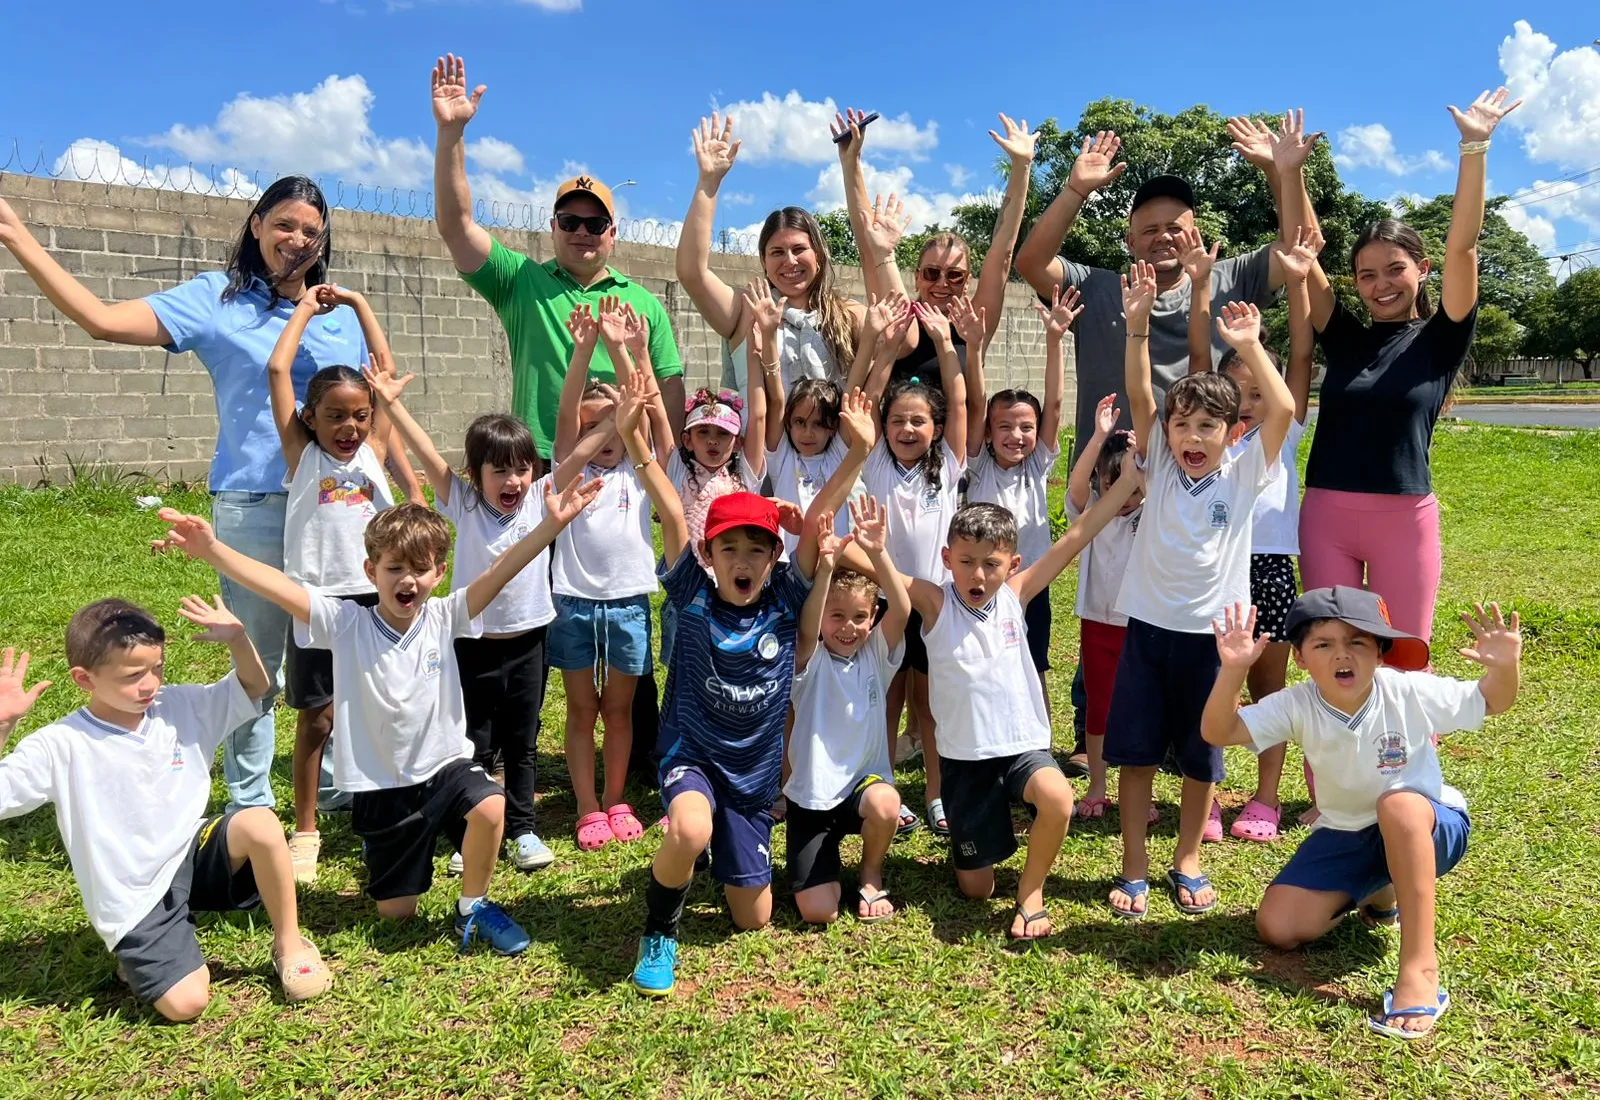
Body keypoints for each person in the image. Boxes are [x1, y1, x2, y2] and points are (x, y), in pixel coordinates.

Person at [0, 178, 421, 812]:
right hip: (255, 505)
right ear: (256, 226)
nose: (297, 240)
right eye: (284, 225)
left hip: (342, 510)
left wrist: (400, 493)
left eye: (311, 231)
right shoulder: (213, 301)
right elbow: (100, 321)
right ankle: (249, 799)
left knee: (343, 649)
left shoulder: (338, 318)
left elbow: (374, 415)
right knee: (258, 660)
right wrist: (16, 235)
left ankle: (337, 780)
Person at [154, 479, 601, 956]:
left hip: (444, 769)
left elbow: (500, 570)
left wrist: (551, 524)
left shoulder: (446, 615)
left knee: (492, 806)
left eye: (420, 570)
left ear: (439, 573)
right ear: (371, 571)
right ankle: (390, 856)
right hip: (382, 789)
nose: (406, 580)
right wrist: (214, 549)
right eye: (393, 568)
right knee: (397, 914)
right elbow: (282, 587)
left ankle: (473, 907)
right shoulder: (345, 623)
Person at [431, 52, 684, 786]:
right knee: (533, 621)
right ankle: (509, 755)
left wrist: (660, 461)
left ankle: (635, 755)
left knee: (626, 606)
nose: (582, 231)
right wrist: (452, 136)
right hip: (535, 471)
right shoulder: (521, 281)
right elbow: (456, 226)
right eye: (570, 221)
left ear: (613, 232)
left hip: (625, 472)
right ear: (554, 228)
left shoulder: (643, 303)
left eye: (595, 223)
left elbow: (667, 395)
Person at [620, 369, 859, 997]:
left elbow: (824, 513)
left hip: (753, 779)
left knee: (752, 920)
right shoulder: (692, 591)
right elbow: (671, 507)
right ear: (708, 554)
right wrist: (634, 437)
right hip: (693, 756)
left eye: (758, 548)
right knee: (688, 829)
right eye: (730, 549)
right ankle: (660, 926)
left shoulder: (785, 594)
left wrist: (857, 451)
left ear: (775, 555)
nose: (745, 561)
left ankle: (716, 848)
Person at [1202, 591, 1521, 1040]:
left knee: (1399, 804)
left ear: (1379, 651)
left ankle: (1419, 970)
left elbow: (1491, 700)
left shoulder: (1406, 690)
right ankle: (1382, 891)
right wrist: (1234, 670)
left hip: (1430, 827)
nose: (1342, 655)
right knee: (1279, 926)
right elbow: (1219, 730)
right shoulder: (1298, 703)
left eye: (1357, 642)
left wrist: (1503, 667)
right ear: (1299, 657)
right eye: (1323, 644)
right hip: (1346, 832)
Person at [0, 602, 332, 1021]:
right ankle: (142, 956)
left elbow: (253, 687)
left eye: (156, 667)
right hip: (133, 893)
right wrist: (2, 727)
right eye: (132, 676)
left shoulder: (179, 705)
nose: (149, 684)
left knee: (259, 822)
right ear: (84, 679)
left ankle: (290, 944)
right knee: (187, 1003)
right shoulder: (60, 744)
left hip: (191, 851)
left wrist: (237, 639)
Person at [1294, 89, 1518, 647]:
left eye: (1394, 269)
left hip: (1404, 518)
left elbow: (1463, 248)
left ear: (1421, 270)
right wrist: (1289, 174)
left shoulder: (1443, 337)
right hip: (1326, 514)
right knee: (1330, 650)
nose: (1381, 285)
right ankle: (1338, 740)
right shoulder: (1344, 338)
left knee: (1405, 654)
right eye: (1366, 275)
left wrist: (1474, 148)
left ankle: (1413, 742)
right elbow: (1305, 252)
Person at [1104, 262, 1294, 920]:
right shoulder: (1157, 455)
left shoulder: (1244, 474)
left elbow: (1287, 407)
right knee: (1132, 756)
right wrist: (1135, 329)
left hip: (1214, 641)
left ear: (1231, 432)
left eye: (1207, 427)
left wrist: (1248, 347)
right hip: (1149, 632)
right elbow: (1141, 394)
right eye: (1181, 426)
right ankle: (1133, 864)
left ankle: (1186, 858)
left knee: (1199, 760)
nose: (1192, 437)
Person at [907, 477, 1141, 939]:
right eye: (967, 562)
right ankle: (991, 832)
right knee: (976, 889)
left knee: (1058, 797)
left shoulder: (1017, 594)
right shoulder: (935, 604)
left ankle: (1030, 893)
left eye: (991, 564)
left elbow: (1077, 535)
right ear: (946, 559)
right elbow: (882, 573)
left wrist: (1130, 480)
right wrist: (839, 540)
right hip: (964, 760)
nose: (978, 575)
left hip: (1021, 748)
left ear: (1012, 563)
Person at [365, 354, 561, 875]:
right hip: (472, 644)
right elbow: (427, 452)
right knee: (474, 740)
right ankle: (468, 828)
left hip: (530, 643)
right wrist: (390, 403)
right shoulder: (463, 502)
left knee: (523, 741)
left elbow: (580, 446)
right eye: (500, 470)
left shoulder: (543, 499)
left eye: (522, 468)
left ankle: (521, 829)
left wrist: (619, 417)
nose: (513, 479)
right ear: (476, 475)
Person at [1185, 226, 1318, 842]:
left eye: (1258, 389)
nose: (1248, 400)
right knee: (1212, 684)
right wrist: (1201, 288)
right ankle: (1205, 794)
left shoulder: (1282, 432)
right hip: (1216, 569)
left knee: (1269, 682)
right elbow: (1194, 363)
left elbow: (1298, 357)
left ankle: (1266, 795)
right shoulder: (1207, 441)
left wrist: (1294, 284)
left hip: (1268, 566)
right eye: (1235, 389)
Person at [267, 286, 399, 884]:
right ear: (309, 419)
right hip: (317, 601)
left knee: (376, 710)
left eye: (360, 415)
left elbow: (385, 372)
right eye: (335, 416)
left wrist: (358, 303)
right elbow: (277, 368)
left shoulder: (374, 451)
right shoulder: (303, 457)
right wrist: (305, 310)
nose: (349, 426)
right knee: (317, 717)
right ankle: (306, 830)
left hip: (375, 600)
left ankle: (377, 810)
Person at [546, 303, 666, 852]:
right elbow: (570, 411)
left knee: (619, 711)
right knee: (581, 709)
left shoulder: (639, 474)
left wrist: (622, 351)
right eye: (590, 426)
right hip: (572, 604)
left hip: (627, 606)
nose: (605, 435)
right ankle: (586, 807)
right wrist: (580, 352)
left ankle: (615, 798)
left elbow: (644, 408)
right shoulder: (564, 474)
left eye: (614, 424)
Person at [858, 299, 968, 837]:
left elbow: (963, 400)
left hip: (933, 602)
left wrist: (948, 346)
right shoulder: (875, 460)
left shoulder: (947, 464)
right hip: (880, 603)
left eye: (918, 420)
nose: (906, 428)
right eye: (897, 420)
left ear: (937, 427)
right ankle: (883, 785)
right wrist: (883, 349)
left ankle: (936, 792)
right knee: (886, 694)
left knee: (929, 705)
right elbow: (867, 400)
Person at [834, 110, 1037, 389]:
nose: (942, 283)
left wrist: (1021, 167)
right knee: (905, 329)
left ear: (967, 282)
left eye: (954, 275)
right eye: (932, 273)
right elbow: (869, 249)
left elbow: (1003, 252)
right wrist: (851, 163)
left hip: (958, 433)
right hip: (898, 431)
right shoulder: (901, 319)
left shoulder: (973, 325)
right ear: (917, 277)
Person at [676, 114, 863, 395]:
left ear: (819, 256)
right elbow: (691, 272)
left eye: (799, 249)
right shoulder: (745, 310)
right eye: (777, 252)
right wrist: (708, 182)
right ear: (764, 261)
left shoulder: (847, 315)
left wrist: (852, 167)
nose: (789, 261)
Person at [785, 497, 907, 924]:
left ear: (872, 618)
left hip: (861, 789)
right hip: (811, 798)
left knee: (887, 803)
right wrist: (824, 569)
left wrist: (877, 552)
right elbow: (806, 625)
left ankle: (871, 871)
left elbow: (903, 607)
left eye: (859, 616)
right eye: (836, 616)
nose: (848, 627)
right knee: (820, 912)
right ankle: (824, 858)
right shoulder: (810, 659)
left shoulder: (875, 655)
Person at [962, 285, 1081, 707]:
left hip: (1031, 582)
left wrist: (1055, 341)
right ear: (989, 434)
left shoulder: (1036, 465)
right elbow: (975, 402)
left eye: (1026, 427)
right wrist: (973, 348)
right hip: (980, 580)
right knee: (983, 658)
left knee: (1033, 661)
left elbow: (1055, 401)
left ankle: (1038, 741)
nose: (1017, 436)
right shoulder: (976, 465)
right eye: (1005, 427)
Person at [1064, 395, 1144, 820]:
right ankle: (1098, 784)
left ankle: (1138, 792)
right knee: (1098, 705)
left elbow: (1154, 488)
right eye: (1111, 484)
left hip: (1139, 626)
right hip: (1097, 623)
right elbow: (1077, 486)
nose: (1122, 494)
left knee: (1136, 711)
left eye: (1129, 484)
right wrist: (1097, 437)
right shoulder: (1091, 511)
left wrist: (1142, 456)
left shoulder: (1150, 514)